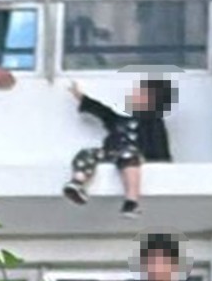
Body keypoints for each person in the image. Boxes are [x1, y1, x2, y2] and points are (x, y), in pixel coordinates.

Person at [62, 77, 175, 218]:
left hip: (133, 156)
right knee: (87, 153)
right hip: (111, 153)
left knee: (128, 154)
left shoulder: (153, 121)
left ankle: (131, 202)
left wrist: (162, 164)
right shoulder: (120, 120)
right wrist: (81, 97)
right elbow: (104, 112)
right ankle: (77, 183)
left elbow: (158, 141)